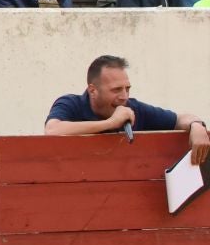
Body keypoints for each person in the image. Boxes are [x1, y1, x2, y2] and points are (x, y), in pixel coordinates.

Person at [43, 54, 210, 163]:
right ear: (93, 90)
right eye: (116, 90)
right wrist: (110, 123)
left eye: (127, 89)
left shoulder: (133, 108)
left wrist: (196, 125)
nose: (124, 96)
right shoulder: (71, 103)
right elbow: (52, 130)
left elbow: (179, 119)